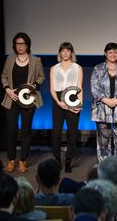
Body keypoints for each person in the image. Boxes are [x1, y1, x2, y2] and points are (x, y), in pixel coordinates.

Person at [1, 32, 45, 173]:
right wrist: (7, 89)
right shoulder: (10, 59)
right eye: (17, 44)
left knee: (26, 131)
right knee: (11, 130)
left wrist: (34, 86)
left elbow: (41, 77)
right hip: (12, 98)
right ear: (14, 45)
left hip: (28, 99)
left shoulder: (36, 60)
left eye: (23, 44)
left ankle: (23, 161)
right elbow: (4, 76)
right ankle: (11, 160)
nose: (20, 46)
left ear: (27, 45)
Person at [91, 43, 117, 162]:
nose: (113, 54)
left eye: (115, 52)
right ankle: (105, 167)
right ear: (105, 54)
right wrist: (107, 100)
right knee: (103, 141)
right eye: (110, 52)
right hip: (102, 110)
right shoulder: (97, 69)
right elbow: (95, 88)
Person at [50, 42, 83, 172]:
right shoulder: (54, 68)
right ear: (60, 53)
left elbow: (79, 87)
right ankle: (57, 159)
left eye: (67, 50)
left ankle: (69, 159)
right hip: (58, 99)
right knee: (56, 133)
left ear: (71, 53)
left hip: (73, 98)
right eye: (62, 50)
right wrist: (59, 102)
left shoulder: (77, 68)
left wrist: (79, 104)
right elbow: (52, 88)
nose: (65, 53)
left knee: (72, 132)